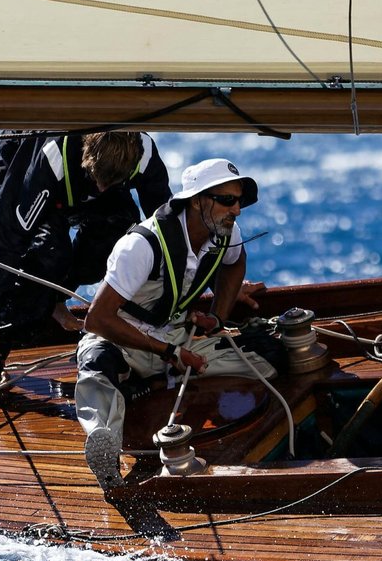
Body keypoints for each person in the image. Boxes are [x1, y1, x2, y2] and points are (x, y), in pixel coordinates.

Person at [76, 159, 272, 489]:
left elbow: (235, 265)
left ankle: (152, 383)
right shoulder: (142, 245)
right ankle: (104, 446)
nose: (236, 210)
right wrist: (168, 352)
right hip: (125, 339)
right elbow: (98, 319)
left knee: (269, 357)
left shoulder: (226, 231)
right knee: (97, 366)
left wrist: (217, 316)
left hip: (180, 336)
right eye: (227, 200)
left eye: (239, 201)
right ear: (197, 201)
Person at [0, 129, 171, 384]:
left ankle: (57, 299)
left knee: (121, 239)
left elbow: (166, 227)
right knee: (49, 256)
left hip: (96, 173)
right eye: (98, 180)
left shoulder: (144, 153)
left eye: (108, 183)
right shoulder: (50, 158)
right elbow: (6, 239)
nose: (101, 188)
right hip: (35, 174)